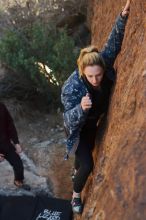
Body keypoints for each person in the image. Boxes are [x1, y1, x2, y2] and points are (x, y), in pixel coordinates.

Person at [61, 0, 131, 214]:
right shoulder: (71, 87)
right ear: (83, 72)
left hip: (93, 124)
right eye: (91, 76)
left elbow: (113, 44)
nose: (96, 79)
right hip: (79, 130)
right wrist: (81, 108)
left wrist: (122, 16)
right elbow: (67, 120)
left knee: (84, 157)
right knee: (88, 165)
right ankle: (75, 195)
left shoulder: (102, 63)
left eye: (99, 74)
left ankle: (76, 170)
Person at [0, 102, 30, 190]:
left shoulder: (1, 106)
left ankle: (18, 181)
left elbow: (10, 125)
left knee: (18, 165)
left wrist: (16, 143)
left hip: (5, 144)